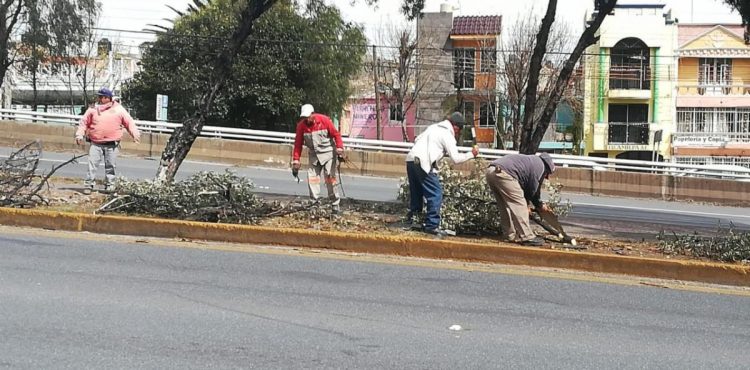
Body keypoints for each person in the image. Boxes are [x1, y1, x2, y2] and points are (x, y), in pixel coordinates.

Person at [405, 112, 479, 236]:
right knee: (436, 193)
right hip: (423, 161)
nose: (458, 133)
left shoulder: (433, 127)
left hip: (411, 159)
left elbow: (417, 139)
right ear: (455, 127)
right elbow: (456, 158)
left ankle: (414, 220)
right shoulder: (447, 134)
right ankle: (432, 225)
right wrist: (472, 154)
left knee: (417, 192)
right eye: (459, 130)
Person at [75, 87, 140, 194]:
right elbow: (84, 123)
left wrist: (135, 134)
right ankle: (88, 185)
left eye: (101, 97)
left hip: (112, 144)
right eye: (99, 96)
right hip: (96, 143)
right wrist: (79, 135)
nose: (99, 98)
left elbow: (129, 122)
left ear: (107, 98)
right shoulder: (93, 109)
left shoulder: (119, 109)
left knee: (110, 166)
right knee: (92, 165)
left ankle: (110, 185)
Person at [485, 153, 556, 246]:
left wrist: (535, 204)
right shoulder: (540, 166)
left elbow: (526, 187)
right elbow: (533, 190)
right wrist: (537, 205)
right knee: (520, 204)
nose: (546, 177)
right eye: (547, 175)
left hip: (491, 171)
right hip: (505, 173)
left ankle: (509, 235)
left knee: (505, 206)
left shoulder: (531, 161)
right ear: (547, 168)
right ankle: (527, 236)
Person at [291, 104, 345, 215]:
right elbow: (298, 144)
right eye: (304, 117)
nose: (307, 119)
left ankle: (335, 205)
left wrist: (339, 148)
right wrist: (296, 160)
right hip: (314, 156)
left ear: (313, 114)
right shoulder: (301, 126)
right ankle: (314, 204)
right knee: (312, 179)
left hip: (328, 154)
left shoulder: (324, 121)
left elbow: (336, 135)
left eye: (308, 116)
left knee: (330, 179)